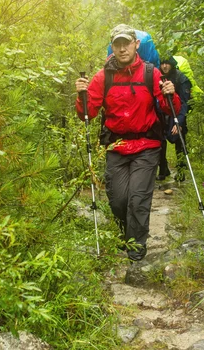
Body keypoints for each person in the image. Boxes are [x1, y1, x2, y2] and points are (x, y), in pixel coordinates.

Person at [75, 24, 180, 261]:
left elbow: (168, 108)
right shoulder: (103, 76)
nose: (122, 49)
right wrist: (81, 96)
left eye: (126, 44)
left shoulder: (150, 73)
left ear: (136, 45)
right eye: (117, 45)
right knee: (119, 200)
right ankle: (127, 234)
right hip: (116, 146)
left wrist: (170, 94)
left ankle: (137, 246)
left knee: (138, 198)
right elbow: (87, 114)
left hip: (147, 145)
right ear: (112, 47)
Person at [157, 55, 192, 182]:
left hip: (178, 114)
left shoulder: (181, 78)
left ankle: (181, 171)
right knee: (160, 142)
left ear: (172, 64)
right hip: (162, 114)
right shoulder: (158, 77)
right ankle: (163, 169)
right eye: (162, 63)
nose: (164, 66)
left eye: (167, 63)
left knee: (180, 142)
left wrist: (180, 123)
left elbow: (185, 103)